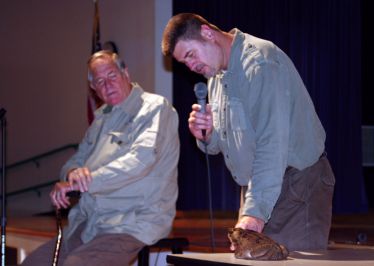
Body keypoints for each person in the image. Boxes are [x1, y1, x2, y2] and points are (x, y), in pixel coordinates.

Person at [162, 13, 335, 251]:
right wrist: (207, 134)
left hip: (297, 184)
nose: (191, 66)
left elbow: (271, 144)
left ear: (207, 34)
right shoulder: (215, 75)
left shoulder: (261, 63)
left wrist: (255, 212)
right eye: (184, 63)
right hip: (260, 185)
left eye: (190, 55)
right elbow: (227, 142)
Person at [22, 50, 180, 265]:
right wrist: (71, 175)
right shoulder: (101, 119)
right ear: (94, 89)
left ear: (126, 73)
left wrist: (88, 179)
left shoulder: (154, 108)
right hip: (89, 223)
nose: (107, 85)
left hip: (131, 222)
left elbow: (139, 162)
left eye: (112, 76)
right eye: (100, 81)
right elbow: (73, 162)